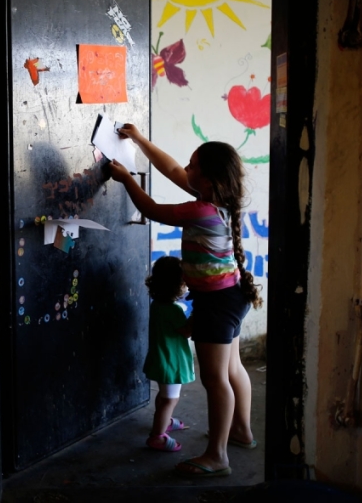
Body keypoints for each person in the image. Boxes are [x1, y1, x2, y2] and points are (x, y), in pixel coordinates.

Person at [106, 124, 263, 478]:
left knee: (215, 379)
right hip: (231, 296)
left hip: (216, 304)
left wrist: (127, 179)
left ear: (208, 180)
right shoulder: (221, 201)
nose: (186, 171)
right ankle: (241, 431)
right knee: (233, 370)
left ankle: (217, 455)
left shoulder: (199, 211)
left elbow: (152, 209)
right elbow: (173, 169)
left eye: (194, 166)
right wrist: (141, 141)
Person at [143, 255, 195, 452]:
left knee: (164, 396)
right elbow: (186, 331)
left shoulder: (157, 305)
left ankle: (163, 421)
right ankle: (157, 436)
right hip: (171, 363)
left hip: (161, 359)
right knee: (170, 399)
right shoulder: (173, 310)